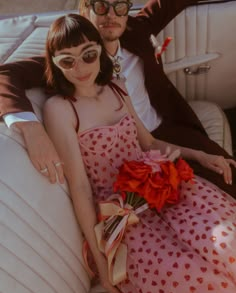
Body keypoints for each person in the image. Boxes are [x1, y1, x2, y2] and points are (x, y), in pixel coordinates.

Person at [43, 13, 236, 293]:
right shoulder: (60, 109)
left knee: (227, 242)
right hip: (124, 214)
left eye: (89, 54)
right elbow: (81, 189)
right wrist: (103, 263)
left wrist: (199, 157)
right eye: (67, 61)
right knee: (192, 282)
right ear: (56, 64)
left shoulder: (116, 87)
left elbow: (148, 144)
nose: (81, 67)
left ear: (99, 51)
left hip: (164, 184)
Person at [0, 0, 236, 197]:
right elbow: (5, 74)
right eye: (101, 6)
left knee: (227, 173)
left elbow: (168, 2)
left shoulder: (137, 30)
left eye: (119, 6)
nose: (111, 15)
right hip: (127, 155)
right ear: (85, 11)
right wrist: (30, 128)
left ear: (127, 11)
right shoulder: (70, 61)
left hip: (169, 132)